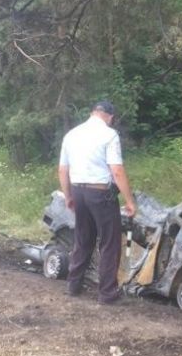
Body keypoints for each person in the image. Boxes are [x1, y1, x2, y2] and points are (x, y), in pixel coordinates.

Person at [58, 101, 137, 304]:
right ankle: (107, 294)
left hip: (78, 191)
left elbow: (63, 170)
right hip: (101, 194)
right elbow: (117, 171)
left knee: (83, 238)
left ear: (93, 113)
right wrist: (129, 201)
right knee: (110, 242)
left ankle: (73, 285)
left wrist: (68, 196)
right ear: (109, 117)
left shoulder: (71, 135)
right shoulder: (109, 135)